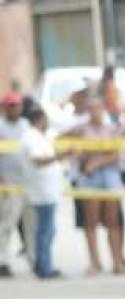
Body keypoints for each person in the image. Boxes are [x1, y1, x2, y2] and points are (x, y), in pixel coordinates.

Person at [74, 93, 125, 274]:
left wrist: (97, 162)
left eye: (97, 108)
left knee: (113, 221)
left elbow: (116, 154)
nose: (94, 112)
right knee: (90, 221)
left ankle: (117, 261)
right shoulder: (81, 130)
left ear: (103, 109)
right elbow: (75, 151)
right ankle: (95, 262)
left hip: (109, 175)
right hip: (89, 177)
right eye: (90, 109)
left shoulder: (111, 129)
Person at [20, 102, 64, 279]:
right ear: (40, 118)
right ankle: (43, 267)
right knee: (44, 231)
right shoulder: (31, 137)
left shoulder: (40, 136)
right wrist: (59, 157)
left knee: (47, 229)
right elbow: (37, 160)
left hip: (47, 190)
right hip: (41, 191)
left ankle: (43, 264)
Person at [0, 91, 25, 277]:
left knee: (31, 225)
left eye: (16, 105)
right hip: (6, 182)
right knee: (6, 224)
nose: (14, 108)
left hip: (26, 182)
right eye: (10, 105)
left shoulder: (25, 126)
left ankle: (37, 260)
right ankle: (3, 261)